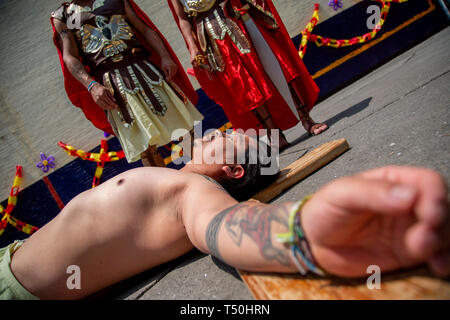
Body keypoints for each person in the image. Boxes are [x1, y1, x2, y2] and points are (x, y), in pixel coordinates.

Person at [0, 130, 448, 299]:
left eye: (232, 136)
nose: (222, 129)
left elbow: (226, 228)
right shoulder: (179, 180)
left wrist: (304, 230)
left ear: (232, 169)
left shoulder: (195, 191)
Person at [51, 0, 204, 166]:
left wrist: (165, 56)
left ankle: (210, 177)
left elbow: (144, 29)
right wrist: (91, 85)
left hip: (145, 69)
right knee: (145, 148)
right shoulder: (63, 16)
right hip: (112, 85)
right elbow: (69, 56)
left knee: (185, 128)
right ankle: (166, 190)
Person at [168, 0, 329, 149]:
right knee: (244, 87)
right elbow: (183, 19)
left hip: (238, 18)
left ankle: (306, 120)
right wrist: (193, 48)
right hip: (212, 39)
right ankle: (274, 135)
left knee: (275, 67)